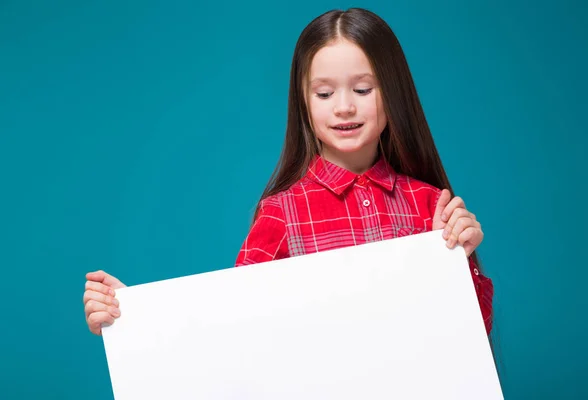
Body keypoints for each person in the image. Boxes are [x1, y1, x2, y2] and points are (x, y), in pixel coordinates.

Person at [83, 7, 494, 337]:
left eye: (363, 89)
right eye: (324, 93)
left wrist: (466, 258)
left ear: (394, 93)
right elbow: (233, 322)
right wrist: (133, 317)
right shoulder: (282, 214)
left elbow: (470, 332)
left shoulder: (429, 204)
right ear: (304, 102)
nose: (344, 106)